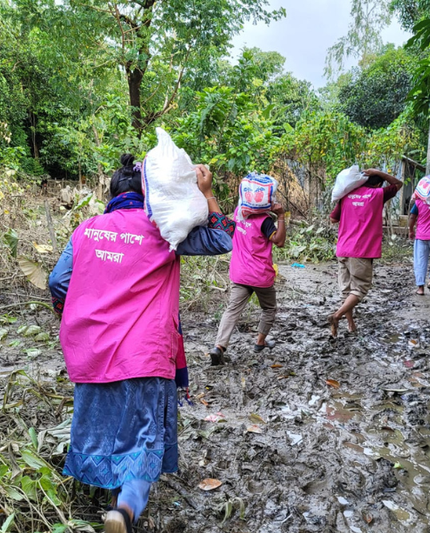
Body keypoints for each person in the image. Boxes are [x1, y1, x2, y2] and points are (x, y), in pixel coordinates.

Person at [48, 155, 233, 533]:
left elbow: (58, 283)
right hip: (145, 354)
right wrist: (207, 192)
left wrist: (78, 316)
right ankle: (125, 509)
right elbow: (223, 236)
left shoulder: (87, 230)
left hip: (93, 351)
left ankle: (106, 495)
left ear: (112, 193)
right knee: (144, 433)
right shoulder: (164, 229)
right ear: (150, 193)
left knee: (103, 426)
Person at [208, 176, 287, 365]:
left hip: (239, 273)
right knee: (269, 308)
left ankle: (219, 346)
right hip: (260, 275)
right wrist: (282, 216)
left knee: (232, 310)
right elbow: (280, 242)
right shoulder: (265, 221)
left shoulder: (238, 213)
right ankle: (260, 342)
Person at [328, 168, 403, 337]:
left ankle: (351, 324)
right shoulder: (377, 194)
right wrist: (379, 172)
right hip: (361, 250)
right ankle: (336, 316)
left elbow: (333, 219)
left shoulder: (346, 195)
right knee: (360, 289)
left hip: (342, 249)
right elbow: (398, 184)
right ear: (378, 183)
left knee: (347, 291)